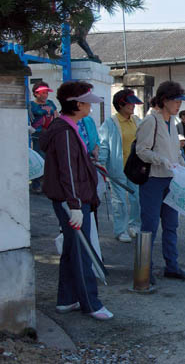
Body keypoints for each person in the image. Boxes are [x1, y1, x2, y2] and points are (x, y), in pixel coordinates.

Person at [39, 81, 113, 321]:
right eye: (87, 102)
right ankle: (90, 303)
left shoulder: (68, 127)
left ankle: (66, 298)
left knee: (72, 249)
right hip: (72, 200)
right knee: (81, 250)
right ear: (77, 104)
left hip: (73, 197)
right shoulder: (65, 131)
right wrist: (73, 205)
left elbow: (71, 165)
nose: (90, 106)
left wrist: (90, 165)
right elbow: (68, 171)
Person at [136, 81, 185, 282]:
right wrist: (161, 160)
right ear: (164, 100)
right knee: (149, 227)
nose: (179, 105)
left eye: (180, 101)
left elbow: (174, 153)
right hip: (152, 180)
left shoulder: (172, 122)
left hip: (171, 180)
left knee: (171, 226)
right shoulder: (150, 121)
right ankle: (144, 269)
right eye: (176, 100)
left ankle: (172, 265)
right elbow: (141, 151)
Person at [98, 89, 143, 243]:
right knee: (120, 201)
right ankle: (120, 230)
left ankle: (134, 226)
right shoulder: (110, 123)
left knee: (137, 198)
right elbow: (103, 144)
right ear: (120, 104)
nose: (133, 106)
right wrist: (101, 163)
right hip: (117, 168)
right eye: (129, 103)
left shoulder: (137, 121)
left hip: (135, 168)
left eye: (133, 103)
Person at [30, 82, 59, 193]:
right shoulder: (31, 105)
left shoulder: (51, 103)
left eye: (46, 92)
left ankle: (48, 184)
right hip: (38, 136)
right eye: (42, 93)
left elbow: (56, 116)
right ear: (35, 93)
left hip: (50, 135)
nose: (45, 95)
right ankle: (36, 183)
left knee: (51, 159)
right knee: (39, 159)